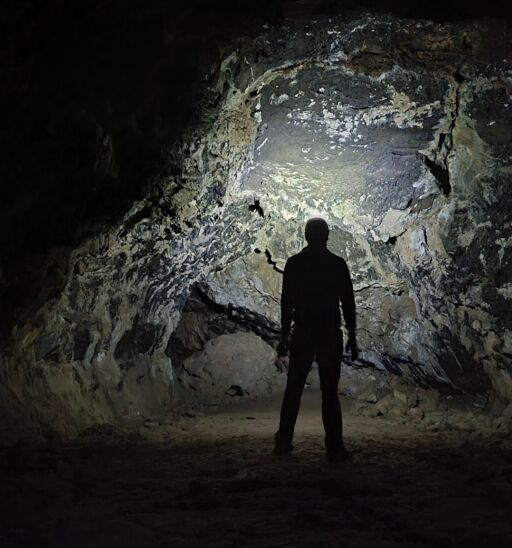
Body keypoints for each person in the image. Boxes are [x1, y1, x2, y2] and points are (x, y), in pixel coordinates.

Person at [274, 217, 357, 462]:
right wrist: (352, 333)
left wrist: (283, 334)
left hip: (304, 330)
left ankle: (283, 441)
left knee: (294, 388)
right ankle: (334, 446)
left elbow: (286, 302)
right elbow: (348, 302)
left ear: (306, 236)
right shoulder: (337, 264)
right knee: (330, 391)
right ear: (327, 236)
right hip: (329, 332)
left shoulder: (295, 264)